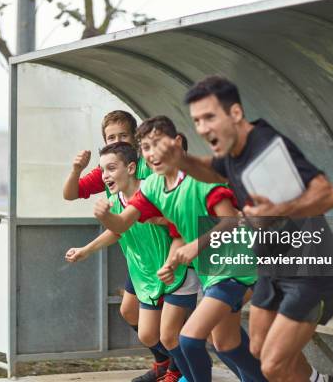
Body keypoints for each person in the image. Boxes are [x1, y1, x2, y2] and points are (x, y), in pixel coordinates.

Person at [156, 75, 333, 382]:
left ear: (236, 114)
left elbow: (328, 194)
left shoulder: (267, 146)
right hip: (272, 265)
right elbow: (210, 171)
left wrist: (278, 210)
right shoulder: (232, 153)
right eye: (197, 120)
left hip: (310, 267)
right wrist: (182, 159)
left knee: (272, 366)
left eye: (209, 117)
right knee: (257, 348)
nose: (203, 128)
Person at [94, 116, 265, 382]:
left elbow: (230, 220)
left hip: (236, 264)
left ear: (176, 143)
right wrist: (106, 216)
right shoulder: (152, 186)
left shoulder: (201, 177)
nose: (152, 153)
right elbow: (123, 223)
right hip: (211, 270)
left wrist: (194, 246)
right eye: (146, 148)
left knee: (189, 337)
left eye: (158, 145)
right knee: (225, 343)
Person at [65, 142, 198, 382]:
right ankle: (182, 364)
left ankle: (191, 373)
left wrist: (164, 221)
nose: (105, 176)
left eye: (111, 168)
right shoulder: (116, 201)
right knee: (148, 335)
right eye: (103, 170)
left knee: (169, 336)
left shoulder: (154, 189)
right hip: (147, 275)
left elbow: (182, 220)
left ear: (131, 168)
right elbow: (118, 230)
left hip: (176, 270)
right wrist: (86, 250)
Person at [61, 111, 164, 382]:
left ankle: (177, 368)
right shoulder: (110, 169)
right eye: (111, 137)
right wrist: (76, 169)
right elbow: (71, 194)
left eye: (124, 136)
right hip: (139, 257)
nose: (118, 141)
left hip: (165, 256)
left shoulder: (147, 168)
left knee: (168, 328)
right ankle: (166, 363)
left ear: (136, 138)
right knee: (130, 312)